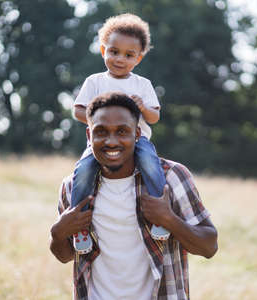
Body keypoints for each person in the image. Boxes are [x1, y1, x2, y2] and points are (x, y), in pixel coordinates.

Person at [50, 92, 218, 300]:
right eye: (101, 132)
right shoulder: (74, 187)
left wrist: (168, 219)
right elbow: (66, 255)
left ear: (137, 134)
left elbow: (209, 247)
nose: (111, 141)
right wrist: (57, 234)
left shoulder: (171, 177)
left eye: (122, 131)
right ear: (89, 135)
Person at [71, 13, 169, 254]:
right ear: (103, 50)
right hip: (101, 142)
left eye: (128, 55)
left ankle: (159, 215)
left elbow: (154, 117)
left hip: (138, 140)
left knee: (150, 163)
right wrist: (99, 121)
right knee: (82, 171)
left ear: (139, 58)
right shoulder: (95, 81)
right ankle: (79, 225)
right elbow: (77, 110)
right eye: (114, 51)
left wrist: (143, 107)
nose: (119, 59)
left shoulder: (142, 85)